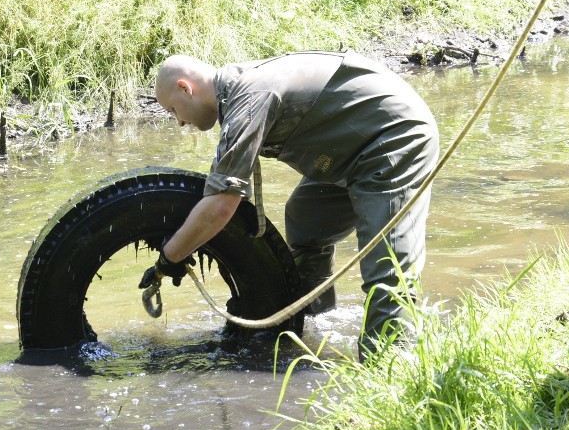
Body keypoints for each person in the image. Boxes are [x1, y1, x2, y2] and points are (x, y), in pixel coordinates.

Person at [138, 50, 439, 358]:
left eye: (173, 110)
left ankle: (389, 367)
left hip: (394, 139)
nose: (179, 122)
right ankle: (313, 323)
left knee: (387, 266)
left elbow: (221, 205)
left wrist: (170, 257)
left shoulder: (250, 96)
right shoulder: (238, 93)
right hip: (350, 148)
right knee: (306, 220)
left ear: (185, 88)